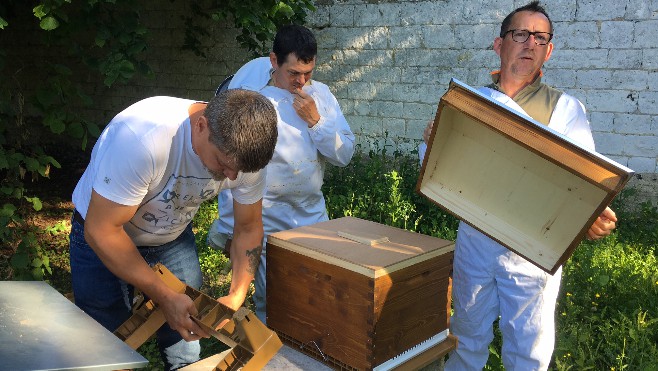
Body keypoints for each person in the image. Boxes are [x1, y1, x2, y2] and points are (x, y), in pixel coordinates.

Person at [419, 2, 618, 370]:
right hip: (475, 240)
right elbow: (434, 171)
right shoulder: (471, 102)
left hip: (532, 251)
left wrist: (589, 215)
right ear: (499, 44)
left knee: (528, 353)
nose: (530, 44)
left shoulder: (565, 110)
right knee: (464, 338)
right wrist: (432, 143)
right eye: (520, 34)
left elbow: (583, 185)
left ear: (549, 50)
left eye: (540, 37)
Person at [68, 89, 278, 370]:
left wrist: (237, 294)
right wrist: (164, 296)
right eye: (223, 164)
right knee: (105, 346)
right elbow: (102, 230)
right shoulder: (142, 139)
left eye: (239, 171)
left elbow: (249, 228)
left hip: (171, 238)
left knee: (186, 336)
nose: (231, 177)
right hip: (101, 236)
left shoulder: (243, 155)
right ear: (202, 126)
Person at [207, 24, 355, 323]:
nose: (301, 82)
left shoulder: (321, 97)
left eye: (308, 73)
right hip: (265, 217)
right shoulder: (251, 99)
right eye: (294, 73)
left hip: (312, 214)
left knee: (319, 294)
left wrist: (316, 122)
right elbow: (232, 170)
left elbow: (344, 154)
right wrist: (230, 228)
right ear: (274, 61)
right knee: (274, 300)